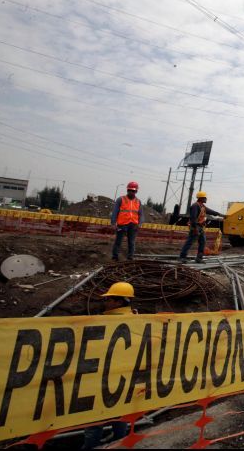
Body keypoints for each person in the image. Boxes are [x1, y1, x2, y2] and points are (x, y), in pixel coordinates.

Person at [81, 282, 137, 450]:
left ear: (119, 302)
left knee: (94, 422)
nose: (106, 302)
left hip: (103, 380)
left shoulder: (107, 321)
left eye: (109, 299)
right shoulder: (137, 318)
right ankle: (121, 443)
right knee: (119, 417)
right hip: (124, 379)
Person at [180, 191, 222, 263]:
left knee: (202, 242)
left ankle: (199, 258)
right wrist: (195, 228)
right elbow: (193, 218)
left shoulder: (202, 206)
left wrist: (219, 214)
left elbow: (210, 211)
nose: (206, 199)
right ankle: (182, 257)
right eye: (205, 198)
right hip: (195, 226)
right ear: (201, 198)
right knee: (189, 242)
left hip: (201, 227)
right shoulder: (195, 206)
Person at [110, 181, 143, 261]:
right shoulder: (120, 199)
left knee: (131, 242)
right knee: (118, 241)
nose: (131, 192)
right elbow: (115, 212)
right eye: (130, 190)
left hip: (133, 225)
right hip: (122, 224)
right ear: (127, 190)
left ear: (136, 191)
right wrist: (113, 223)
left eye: (133, 191)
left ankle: (130, 257)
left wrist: (140, 223)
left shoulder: (138, 201)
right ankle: (115, 257)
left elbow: (141, 214)